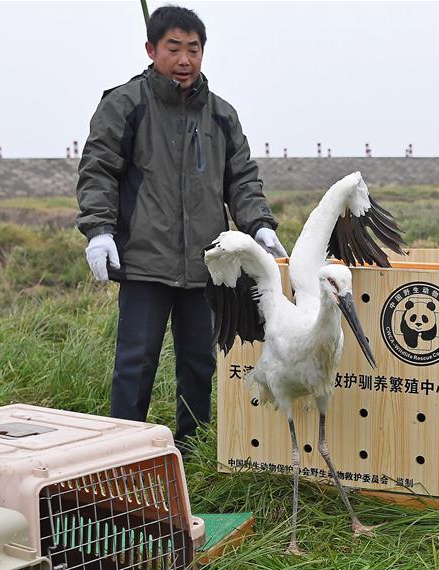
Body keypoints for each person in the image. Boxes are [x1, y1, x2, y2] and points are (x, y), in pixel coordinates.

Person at [76, 5, 287, 450]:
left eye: (194, 49)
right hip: (144, 260)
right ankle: (125, 452)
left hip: (206, 266)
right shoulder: (125, 104)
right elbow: (99, 170)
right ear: (151, 49)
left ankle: (191, 449)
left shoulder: (222, 115)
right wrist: (99, 231)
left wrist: (260, 226)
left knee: (199, 363)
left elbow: (242, 179)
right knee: (135, 362)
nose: (185, 59)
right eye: (173, 48)